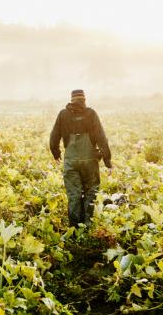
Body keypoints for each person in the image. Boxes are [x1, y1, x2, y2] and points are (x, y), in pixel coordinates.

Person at [50, 89, 112, 227]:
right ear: (84, 100)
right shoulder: (91, 114)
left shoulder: (63, 114)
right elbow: (102, 138)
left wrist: (56, 154)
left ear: (71, 100)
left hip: (71, 160)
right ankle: (87, 225)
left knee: (74, 195)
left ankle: (74, 229)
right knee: (91, 193)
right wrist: (108, 161)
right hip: (90, 161)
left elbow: (54, 136)